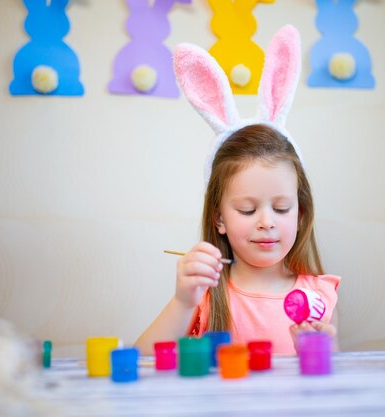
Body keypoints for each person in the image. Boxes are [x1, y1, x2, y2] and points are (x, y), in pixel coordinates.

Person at [135, 25, 340, 355]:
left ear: (300, 214)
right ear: (219, 218)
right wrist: (182, 301)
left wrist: (321, 350)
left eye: (282, 208)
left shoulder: (318, 295)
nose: (266, 222)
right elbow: (141, 360)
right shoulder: (205, 294)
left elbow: (335, 385)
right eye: (247, 209)